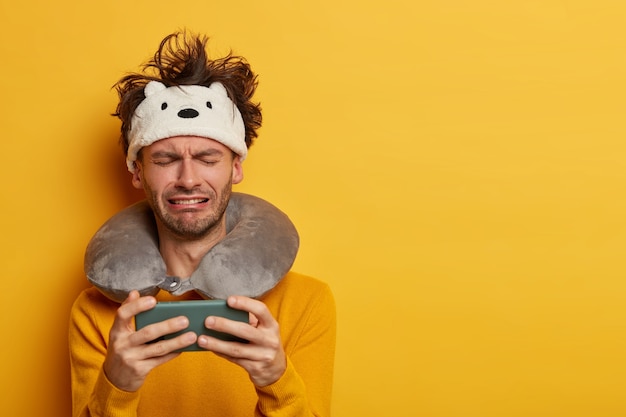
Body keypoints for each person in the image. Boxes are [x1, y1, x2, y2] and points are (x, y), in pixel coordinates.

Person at [69, 31, 336, 417]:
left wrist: (276, 380)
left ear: (237, 167)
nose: (189, 179)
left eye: (208, 158)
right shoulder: (95, 312)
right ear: (137, 171)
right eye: (165, 160)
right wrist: (117, 386)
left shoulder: (306, 303)